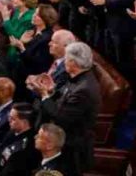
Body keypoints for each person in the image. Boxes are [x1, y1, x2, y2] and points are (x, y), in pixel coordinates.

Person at [31, 41, 101, 173]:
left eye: (66, 59)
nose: (64, 63)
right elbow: (64, 101)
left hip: (72, 150)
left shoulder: (84, 89)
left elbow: (61, 117)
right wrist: (52, 90)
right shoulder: (78, 79)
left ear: (73, 63)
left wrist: (44, 95)